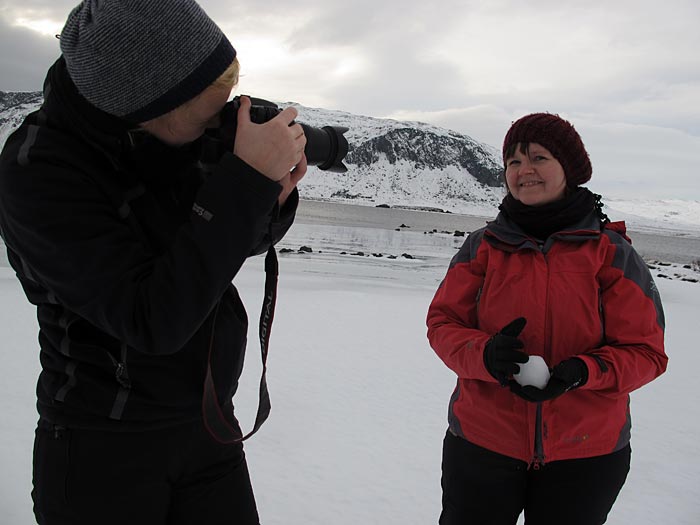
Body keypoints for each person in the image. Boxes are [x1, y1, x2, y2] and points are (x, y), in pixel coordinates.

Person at [0, 1, 307, 524]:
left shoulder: (179, 135)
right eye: (211, 107)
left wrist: (266, 198)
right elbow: (152, 318)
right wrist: (242, 187)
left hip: (208, 423)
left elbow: (222, 247)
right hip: (103, 445)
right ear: (144, 103)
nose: (222, 119)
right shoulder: (38, 174)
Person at [426, 113, 668, 525]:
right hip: (483, 445)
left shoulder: (611, 253)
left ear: (569, 170)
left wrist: (582, 371)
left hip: (586, 455)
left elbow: (647, 353)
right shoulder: (482, 247)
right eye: (514, 163)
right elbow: (443, 325)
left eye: (539, 157)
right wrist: (486, 355)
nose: (524, 171)